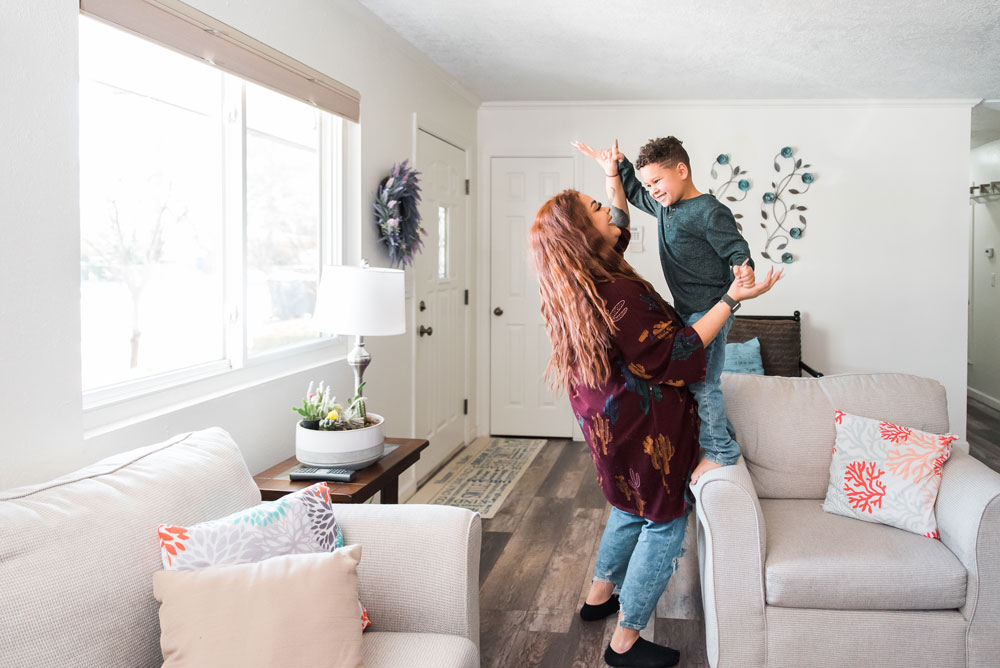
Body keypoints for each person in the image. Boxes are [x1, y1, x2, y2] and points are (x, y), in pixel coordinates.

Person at [528, 169, 780, 668]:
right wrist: (732, 300)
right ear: (582, 234)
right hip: (645, 426)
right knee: (664, 519)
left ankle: (599, 596)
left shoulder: (582, 280)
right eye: (597, 209)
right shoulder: (617, 293)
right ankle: (625, 640)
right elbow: (679, 352)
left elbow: (617, 223)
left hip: (604, 420)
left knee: (627, 504)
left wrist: (612, 180)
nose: (609, 212)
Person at [573, 137, 754, 487]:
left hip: (710, 308)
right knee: (696, 383)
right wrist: (617, 167)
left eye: (657, 181)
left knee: (704, 383)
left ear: (682, 171)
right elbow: (633, 196)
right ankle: (726, 439)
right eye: (647, 184)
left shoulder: (708, 210)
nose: (651, 190)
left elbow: (736, 247)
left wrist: (742, 269)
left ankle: (721, 452)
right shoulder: (665, 207)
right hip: (689, 311)